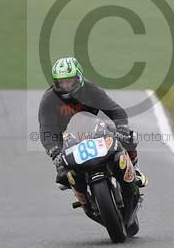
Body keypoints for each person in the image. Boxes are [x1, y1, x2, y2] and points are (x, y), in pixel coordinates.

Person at [38, 56, 147, 188]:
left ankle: (135, 168)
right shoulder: (49, 99)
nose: (65, 85)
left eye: (69, 81)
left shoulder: (90, 90)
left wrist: (122, 128)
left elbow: (115, 110)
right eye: (61, 82)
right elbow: (46, 129)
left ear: (78, 78)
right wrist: (54, 151)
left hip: (94, 129)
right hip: (66, 138)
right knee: (64, 178)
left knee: (129, 137)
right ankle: (82, 196)